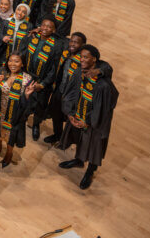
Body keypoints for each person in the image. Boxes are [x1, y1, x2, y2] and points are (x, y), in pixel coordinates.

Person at [58, 44, 119, 190]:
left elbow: (103, 109)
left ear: (94, 60)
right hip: (78, 114)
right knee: (79, 138)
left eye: (86, 57)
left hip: (95, 121)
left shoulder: (103, 84)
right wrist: (70, 114)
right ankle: (79, 160)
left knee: (94, 147)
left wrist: (88, 122)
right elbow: (70, 93)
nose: (82, 60)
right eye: (81, 57)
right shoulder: (79, 72)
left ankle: (91, 170)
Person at [19, 14, 66, 141]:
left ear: (54, 30)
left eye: (49, 27)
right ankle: (22, 119)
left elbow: (53, 69)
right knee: (24, 99)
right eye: (43, 25)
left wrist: (43, 84)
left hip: (42, 81)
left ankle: (35, 125)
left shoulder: (56, 45)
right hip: (28, 76)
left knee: (40, 105)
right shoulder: (33, 37)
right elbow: (22, 53)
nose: (45, 28)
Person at [0, 53, 35, 168]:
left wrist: (26, 96)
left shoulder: (27, 79)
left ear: (22, 64)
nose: (12, 64)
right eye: (10, 61)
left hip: (14, 114)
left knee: (11, 135)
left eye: (16, 61)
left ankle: (9, 152)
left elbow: (30, 104)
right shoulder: (1, 72)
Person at [44, 32, 87, 144]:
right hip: (59, 90)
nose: (72, 44)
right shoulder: (65, 53)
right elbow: (58, 35)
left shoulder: (83, 60)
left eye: (76, 42)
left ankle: (68, 140)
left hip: (72, 96)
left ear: (83, 45)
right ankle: (57, 135)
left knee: (70, 120)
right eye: (71, 41)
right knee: (55, 114)